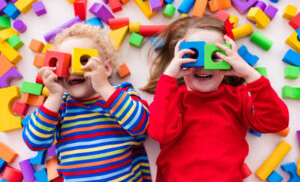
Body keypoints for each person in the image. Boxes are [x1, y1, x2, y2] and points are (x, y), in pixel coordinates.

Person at [142, 15, 289, 181]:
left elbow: (277, 122)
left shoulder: (237, 98)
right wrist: (169, 77)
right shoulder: (170, 97)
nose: (204, 65)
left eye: (214, 56)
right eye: (194, 55)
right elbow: (160, 133)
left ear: (229, 60)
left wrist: (249, 74)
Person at [23, 23, 151, 182]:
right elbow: (34, 142)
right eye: (65, 64)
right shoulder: (60, 107)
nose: (73, 70)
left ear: (106, 69)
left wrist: (104, 87)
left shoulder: (121, 95)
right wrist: (55, 95)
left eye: (83, 61)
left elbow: (140, 125)